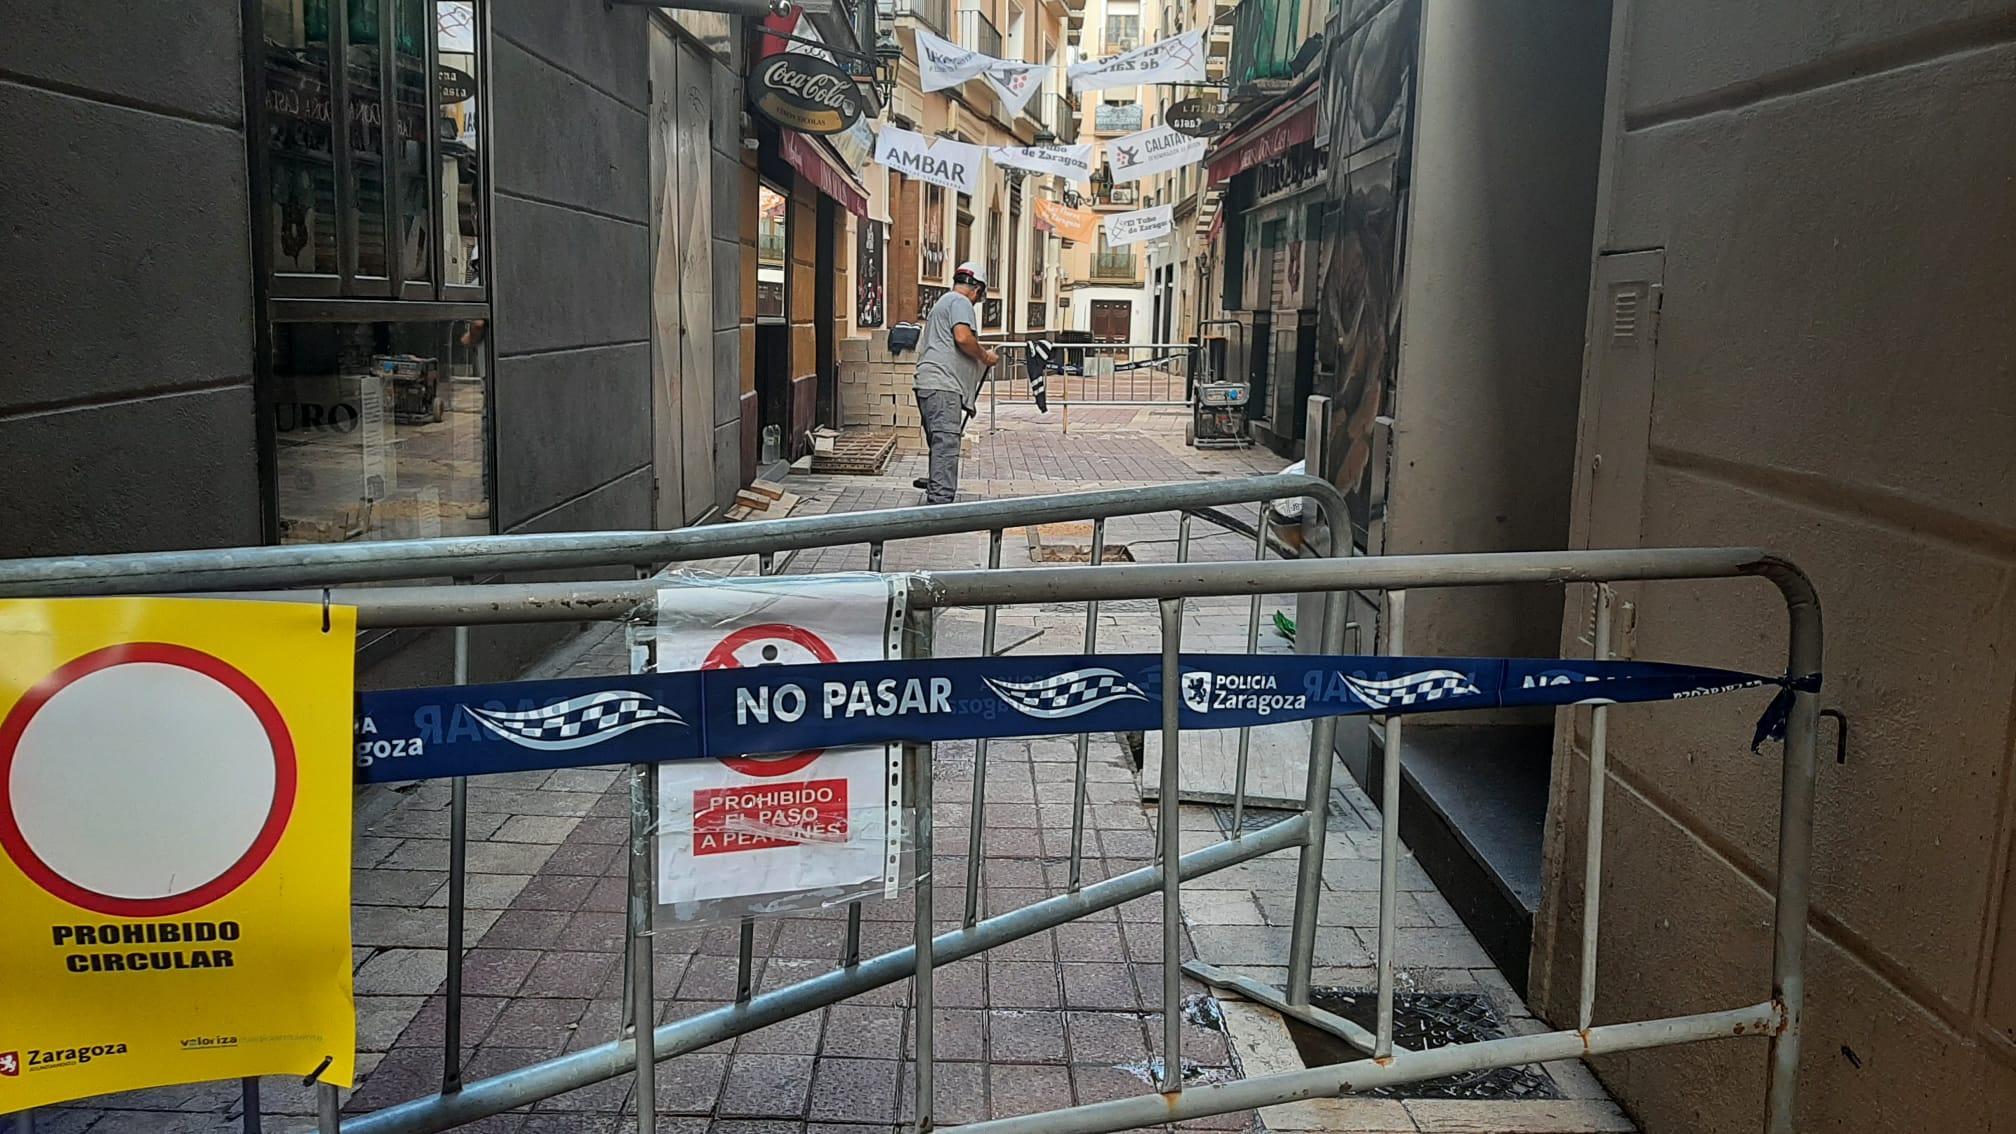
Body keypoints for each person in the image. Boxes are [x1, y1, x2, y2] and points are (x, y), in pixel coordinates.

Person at [910, 261, 998, 504]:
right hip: (942, 386)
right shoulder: (960, 302)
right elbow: (962, 336)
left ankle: (938, 484)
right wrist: (984, 356)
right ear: (977, 290)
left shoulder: (944, 302)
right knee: (947, 443)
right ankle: (940, 502)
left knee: (940, 443)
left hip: (931, 384)